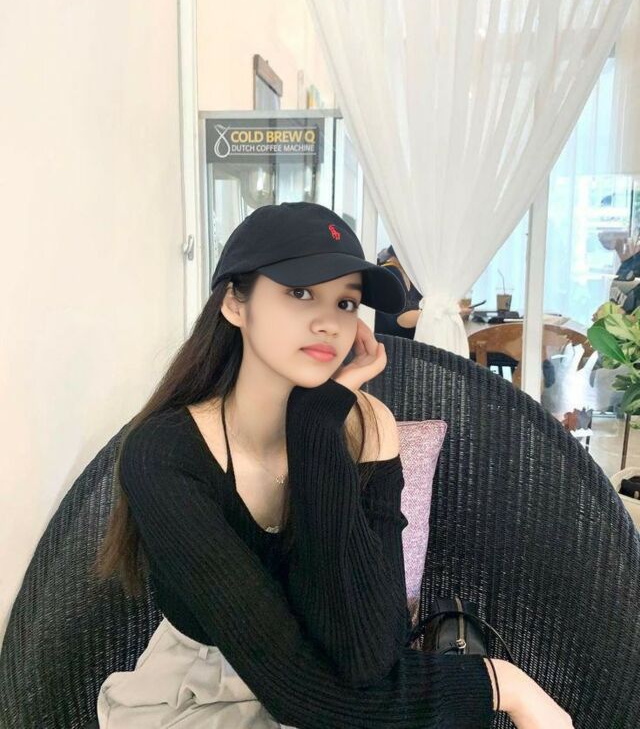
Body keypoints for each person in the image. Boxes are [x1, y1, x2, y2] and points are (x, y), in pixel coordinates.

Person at [93, 201, 573, 728]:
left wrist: (315, 430)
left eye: (346, 303)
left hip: (346, 689)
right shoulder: (163, 454)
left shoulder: (365, 426)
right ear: (234, 303)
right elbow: (300, 693)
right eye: (300, 293)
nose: (328, 323)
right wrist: (503, 685)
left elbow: (370, 654)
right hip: (203, 693)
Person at [374, 245, 472, 340]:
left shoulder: (410, 275)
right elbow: (400, 319)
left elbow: (424, 306)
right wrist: (442, 312)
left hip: (409, 343)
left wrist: (450, 310)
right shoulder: (388, 274)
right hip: (390, 344)